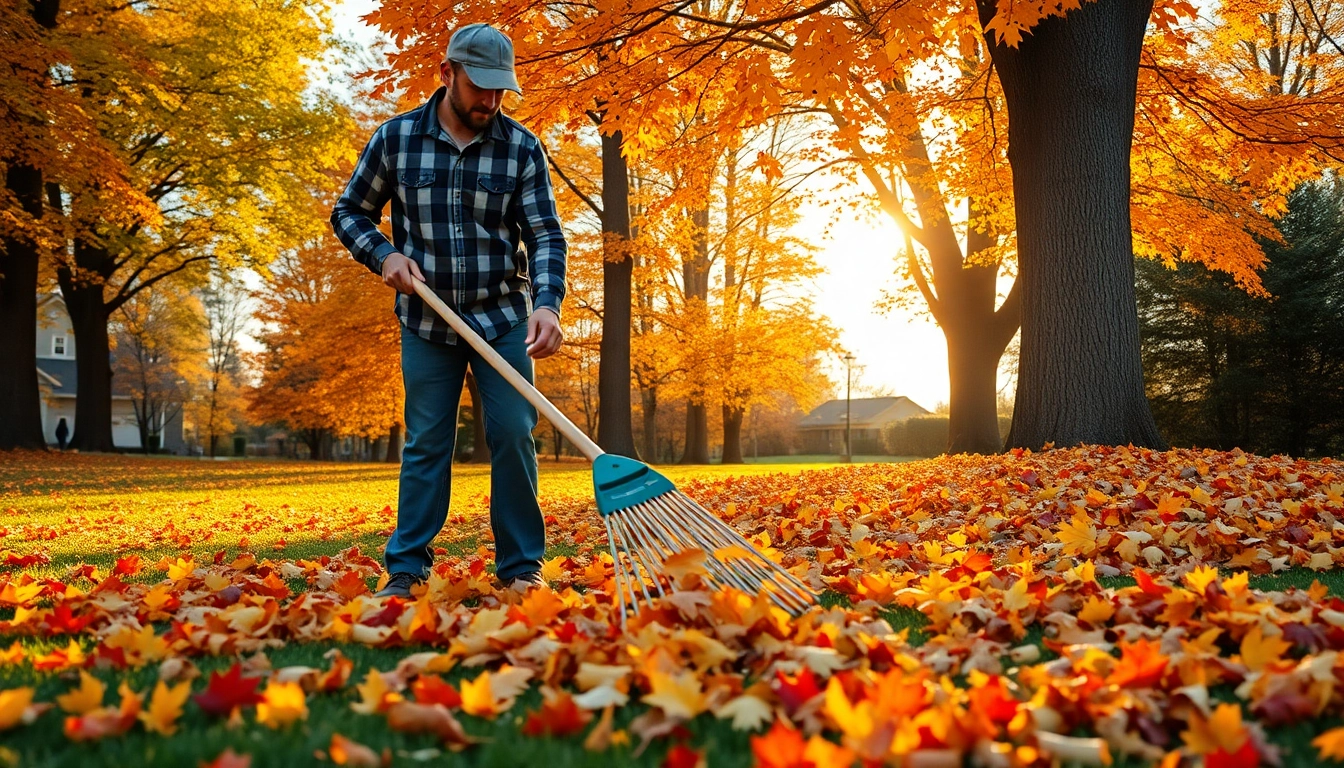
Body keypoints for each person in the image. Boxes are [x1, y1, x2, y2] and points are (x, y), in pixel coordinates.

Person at [331, 23, 567, 600]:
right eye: (479, 87)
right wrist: (383, 254)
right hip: (428, 323)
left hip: (503, 317)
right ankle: (407, 568)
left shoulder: (520, 147)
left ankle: (520, 569)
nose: (490, 101)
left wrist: (547, 304)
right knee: (427, 442)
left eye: (500, 91)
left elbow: (545, 236)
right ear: (447, 74)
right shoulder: (396, 139)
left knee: (513, 432)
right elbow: (349, 212)